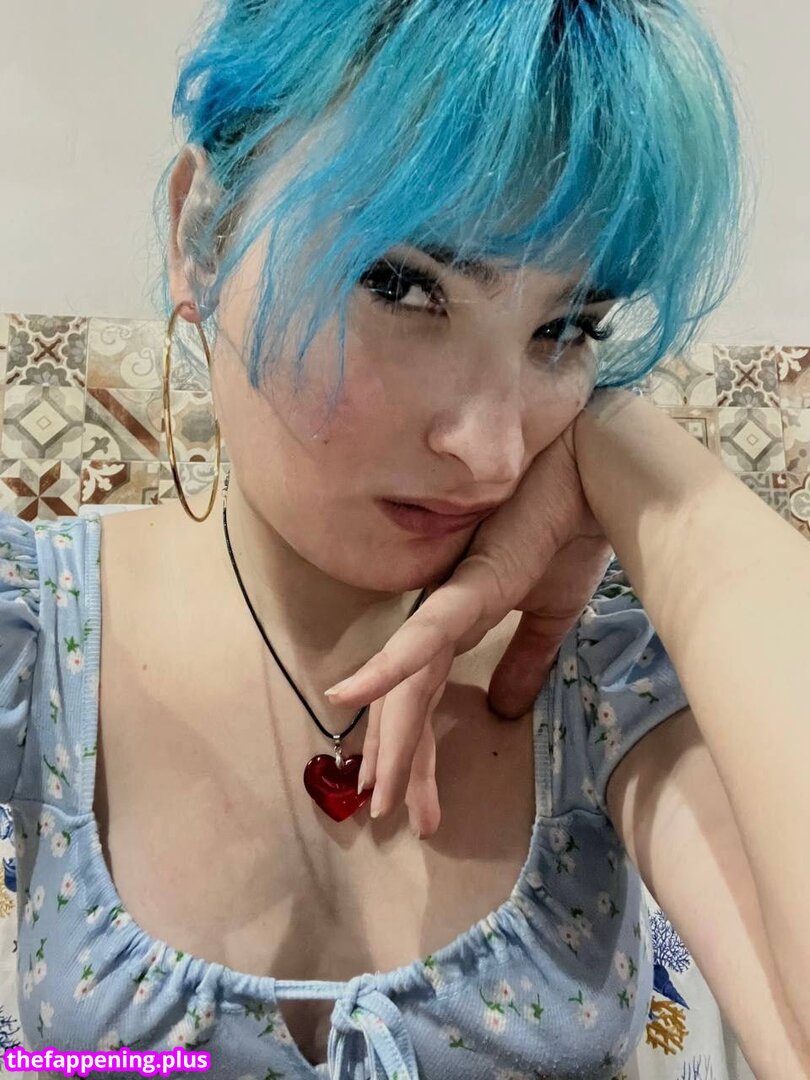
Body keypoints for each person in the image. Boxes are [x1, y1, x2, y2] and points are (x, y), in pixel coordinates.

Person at [2, 0, 809, 1077]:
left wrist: (644, 474)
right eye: (401, 285)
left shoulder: (600, 682)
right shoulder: (42, 635)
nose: (492, 451)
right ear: (201, 234)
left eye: (568, 329)